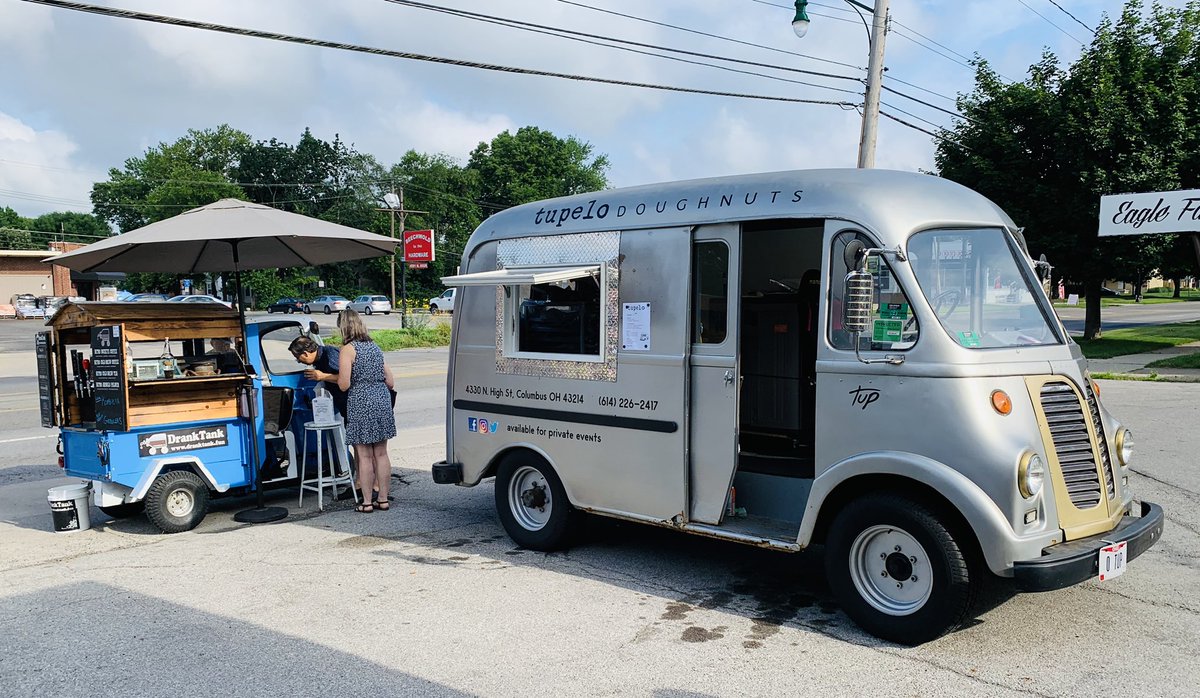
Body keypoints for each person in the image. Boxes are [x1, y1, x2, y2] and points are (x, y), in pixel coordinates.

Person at [336, 309, 396, 513]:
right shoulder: (375, 347)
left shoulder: (348, 349)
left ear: (343, 327)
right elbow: (390, 381)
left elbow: (343, 384)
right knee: (381, 453)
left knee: (364, 454)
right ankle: (384, 499)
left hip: (361, 401)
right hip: (381, 400)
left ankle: (367, 502)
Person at [288, 335, 347, 420]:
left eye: (298, 358)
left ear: (305, 353)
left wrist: (323, 376)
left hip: (354, 405)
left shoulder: (329, 355)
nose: (299, 361)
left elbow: (349, 378)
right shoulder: (318, 360)